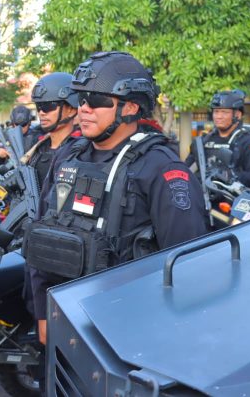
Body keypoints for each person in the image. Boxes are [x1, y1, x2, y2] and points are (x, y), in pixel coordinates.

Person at [25, 51, 208, 350]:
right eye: (80, 99)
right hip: (68, 315)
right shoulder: (69, 156)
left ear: (130, 106)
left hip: (132, 326)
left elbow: (187, 262)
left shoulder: (161, 167)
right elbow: (44, 232)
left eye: (96, 100)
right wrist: (42, 313)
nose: (84, 109)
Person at [185, 90, 250, 189]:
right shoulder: (203, 141)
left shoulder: (249, 142)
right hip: (205, 199)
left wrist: (229, 176)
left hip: (235, 201)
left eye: (224, 112)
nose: (219, 116)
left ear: (237, 115)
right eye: (216, 111)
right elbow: (185, 170)